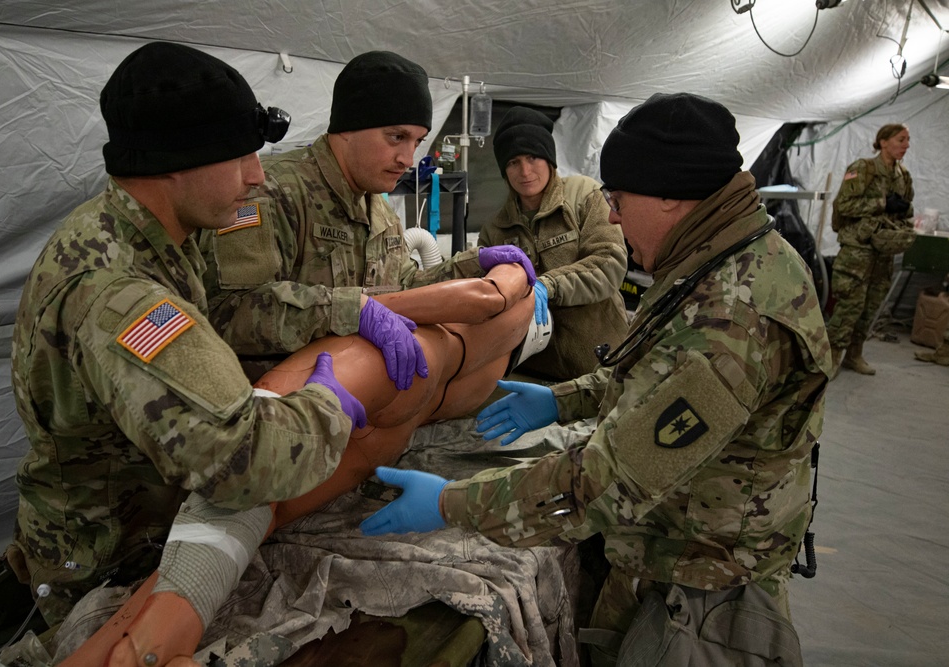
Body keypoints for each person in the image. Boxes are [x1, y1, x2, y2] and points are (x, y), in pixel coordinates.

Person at [360, 92, 833, 666]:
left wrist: (452, 505)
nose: (611, 214)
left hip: (697, 588)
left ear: (669, 194)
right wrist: (562, 402)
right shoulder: (718, 260)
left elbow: (605, 484)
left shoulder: (733, 316)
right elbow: (652, 377)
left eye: (620, 197)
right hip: (673, 547)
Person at [1, 42, 366, 627]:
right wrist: (330, 405)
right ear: (171, 163)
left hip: (151, 527)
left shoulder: (159, 236)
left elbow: (225, 310)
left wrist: (349, 310)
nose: (256, 177)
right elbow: (240, 463)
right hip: (110, 570)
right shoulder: (114, 293)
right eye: (238, 156)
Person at [55, 262, 536, 666]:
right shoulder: (490, 369)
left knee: (244, 503)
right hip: (399, 423)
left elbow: (487, 296)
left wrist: (371, 309)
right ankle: (141, 648)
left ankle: (134, 648)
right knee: (255, 517)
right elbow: (484, 301)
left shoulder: (517, 297)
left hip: (374, 369)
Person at [199, 50, 536, 388]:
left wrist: (470, 266)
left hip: (359, 398)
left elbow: (402, 286)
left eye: (417, 141)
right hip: (277, 406)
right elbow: (229, 313)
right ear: (348, 128)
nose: (407, 158)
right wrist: (350, 311)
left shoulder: (377, 207)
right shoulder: (272, 193)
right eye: (397, 137)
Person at [480, 105, 629, 381]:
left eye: (533, 157)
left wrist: (547, 286)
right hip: (531, 372)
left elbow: (609, 264)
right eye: (513, 162)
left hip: (601, 366)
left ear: (549, 159)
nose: (525, 171)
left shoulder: (585, 196)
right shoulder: (495, 230)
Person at [827, 124, 915, 375]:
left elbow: (907, 209)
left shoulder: (903, 175)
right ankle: (832, 355)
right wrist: (882, 203)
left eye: (908, 140)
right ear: (883, 142)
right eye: (901, 139)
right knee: (849, 305)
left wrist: (900, 211)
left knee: (870, 306)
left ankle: (854, 355)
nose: (906, 145)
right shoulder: (863, 169)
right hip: (858, 250)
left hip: (883, 251)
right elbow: (844, 205)